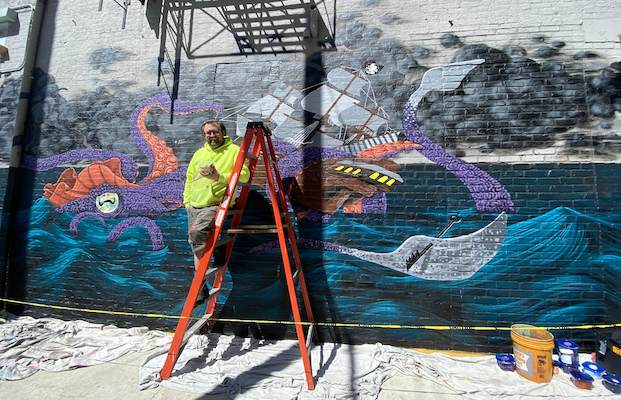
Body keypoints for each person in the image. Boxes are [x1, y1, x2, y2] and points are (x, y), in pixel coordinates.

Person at [184, 120, 250, 272]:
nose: (212, 135)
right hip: (194, 205)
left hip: (216, 204)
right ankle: (201, 285)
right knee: (197, 243)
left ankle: (216, 254)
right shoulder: (199, 153)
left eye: (215, 132)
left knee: (196, 234)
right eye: (208, 133)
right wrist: (187, 202)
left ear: (223, 133)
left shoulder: (233, 150)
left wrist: (218, 177)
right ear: (204, 135)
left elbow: (245, 176)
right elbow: (189, 179)